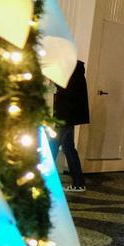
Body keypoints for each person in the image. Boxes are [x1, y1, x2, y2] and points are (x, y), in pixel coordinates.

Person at [52, 60, 90, 192]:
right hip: (69, 115)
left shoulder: (70, 71)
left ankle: (44, 180)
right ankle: (79, 182)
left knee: (53, 146)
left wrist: (56, 82)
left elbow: (66, 92)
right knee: (68, 147)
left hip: (65, 116)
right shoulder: (77, 70)